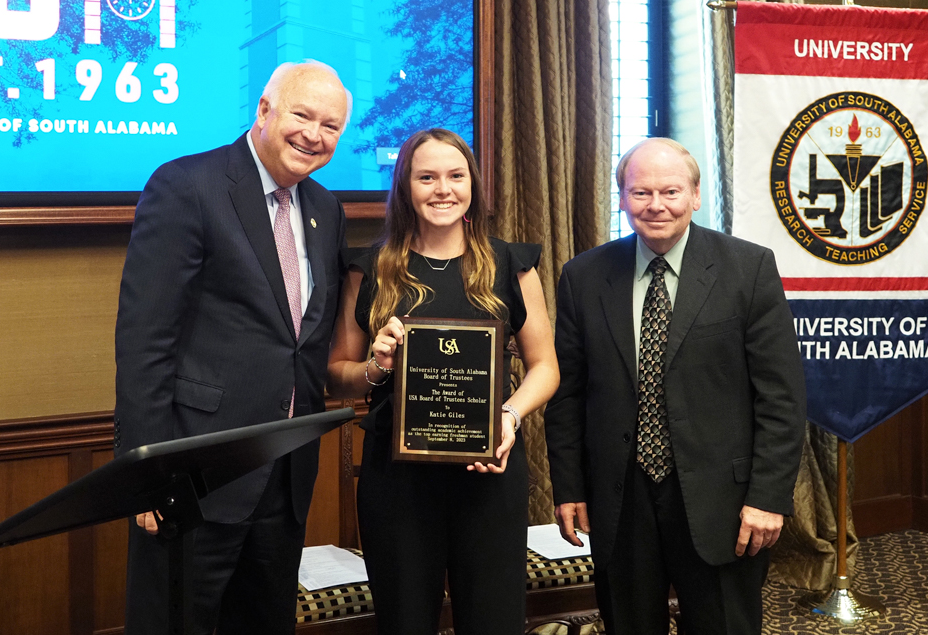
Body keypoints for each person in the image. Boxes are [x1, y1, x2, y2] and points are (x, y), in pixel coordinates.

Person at [114, 60, 351, 635]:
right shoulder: (187, 186)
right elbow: (145, 342)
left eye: (332, 127)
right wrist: (147, 474)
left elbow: (303, 342)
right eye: (302, 115)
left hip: (284, 477)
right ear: (264, 111)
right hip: (194, 478)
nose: (314, 136)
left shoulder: (325, 208)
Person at [545, 138, 806, 635]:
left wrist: (769, 496)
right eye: (640, 192)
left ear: (696, 195)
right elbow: (568, 394)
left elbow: (782, 397)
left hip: (723, 504)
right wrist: (570, 486)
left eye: (670, 190)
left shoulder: (748, 269)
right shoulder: (583, 276)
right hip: (621, 502)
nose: (656, 205)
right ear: (621, 198)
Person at [326, 128, 559, 635]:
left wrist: (509, 416)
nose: (442, 189)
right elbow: (339, 376)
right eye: (426, 176)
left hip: (489, 471)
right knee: (405, 620)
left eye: (455, 176)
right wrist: (377, 365)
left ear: (472, 184)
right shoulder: (367, 270)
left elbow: (546, 367)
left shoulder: (510, 265)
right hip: (398, 483)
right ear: (405, 186)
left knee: (493, 621)